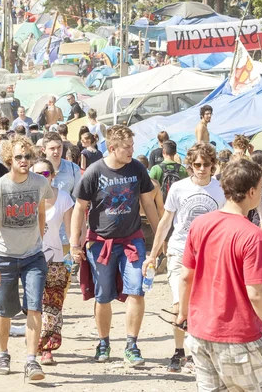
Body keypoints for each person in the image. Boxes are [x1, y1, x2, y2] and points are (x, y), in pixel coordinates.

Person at [179, 158, 262, 390]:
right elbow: (257, 294)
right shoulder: (253, 236)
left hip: (201, 335)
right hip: (239, 339)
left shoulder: (200, 224)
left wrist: (182, 315)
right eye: (260, 188)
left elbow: (185, 276)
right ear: (251, 191)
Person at [70, 125, 159, 366]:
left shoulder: (137, 168)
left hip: (132, 240)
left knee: (137, 290)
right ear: (112, 148)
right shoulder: (94, 172)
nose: (132, 151)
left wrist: (161, 238)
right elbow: (80, 207)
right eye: (127, 147)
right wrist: (74, 243)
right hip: (100, 243)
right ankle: (103, 342)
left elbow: (148, 204)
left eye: (132, 146)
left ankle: (132, 345)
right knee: (103, 295)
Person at [142, 143, 225, 373]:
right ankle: (181, 352)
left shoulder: (221, 190)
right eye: (197, 164)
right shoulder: (179, 188)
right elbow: (166, 222)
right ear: (189, 165)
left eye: (206, 164)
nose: (201, 169)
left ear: (213, 166)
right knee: (180, 303)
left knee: (204, 306)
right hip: (180, 252)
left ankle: (197, 351)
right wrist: (153, 254)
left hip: (210, 256)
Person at [0, 136, 53, 381]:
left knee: (34, 307)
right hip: (4, 257)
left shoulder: (40, 183)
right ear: (10, 159)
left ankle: (32, 361)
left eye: (27, 157)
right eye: (19, 157)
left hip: (33, 256)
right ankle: (2, 353)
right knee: (4, 311)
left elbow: (41, 213)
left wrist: (39, 240)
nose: (24, 161)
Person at [32, 159, 74, 366]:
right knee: (34, 305)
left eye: (45, 174)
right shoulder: (26, 197)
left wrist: (74, 251)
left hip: (56, 258)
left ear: (53, 175)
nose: (41, 177)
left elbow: (71, 230)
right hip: (29, 257)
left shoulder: (64, 198)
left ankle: (47, 348)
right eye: (37, 173)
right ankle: (34, 345)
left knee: (54, 305)